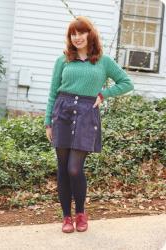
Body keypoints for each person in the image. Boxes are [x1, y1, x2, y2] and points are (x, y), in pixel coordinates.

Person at [45, 16, 134, 233]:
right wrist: (48, 121)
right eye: (73, 34)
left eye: (81, 32)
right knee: (63, 169)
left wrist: (104, 94)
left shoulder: (103, 61)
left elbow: (127, 83)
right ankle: (66, 217)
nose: (77, 37)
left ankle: (81, 212)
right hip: (62, 113)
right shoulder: (63, 60)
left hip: (87, 115)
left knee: (74, 169)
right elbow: (52, 93)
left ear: (89, 34)